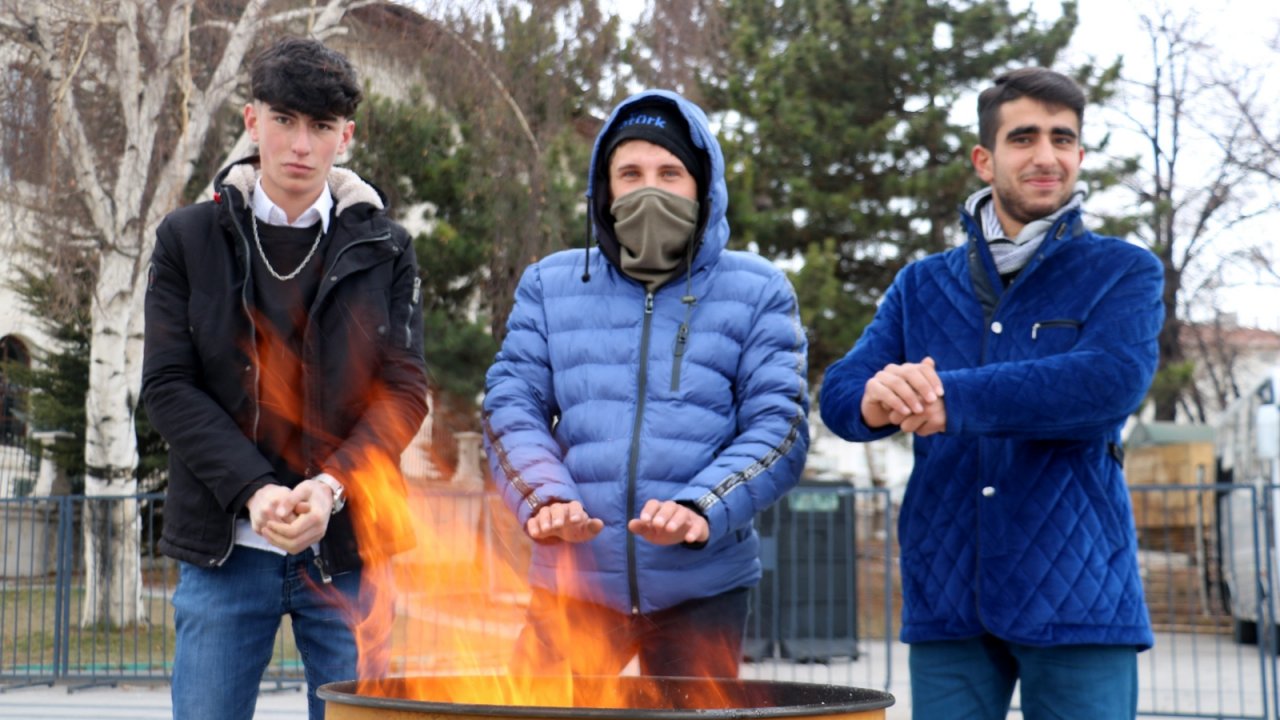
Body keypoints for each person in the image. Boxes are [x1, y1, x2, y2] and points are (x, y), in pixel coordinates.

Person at [819, 67, 1163, 719]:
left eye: (1063, 139)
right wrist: (879, 395)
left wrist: (944, 399)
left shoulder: (1123, 271)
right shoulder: (921, 284)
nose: (1045, 155)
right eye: (1024, 137)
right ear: (985, 159)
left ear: (1080, 156)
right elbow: (840, 394)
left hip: (1080, 596)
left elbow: (1106, 384)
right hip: (948, 598)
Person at [141, 37, 428, 720]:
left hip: (351, 551)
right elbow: (169, 386)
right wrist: (255, 492)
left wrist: (330, 489)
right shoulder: (186, 239)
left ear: (345, 136)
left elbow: (405, 393)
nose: (301, 144)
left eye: (321, 127)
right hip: (224, 551)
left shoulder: (387, 249)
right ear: (251, 120)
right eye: (285, 120)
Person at [482, 89, 809, 679]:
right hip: (572, 590)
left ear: (703, 187)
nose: (649, 189)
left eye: (670, 172)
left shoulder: (759, 290)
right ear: (604, 190)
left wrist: (701, 507)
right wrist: (546, 498)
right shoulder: (549, 285)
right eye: (629, 173)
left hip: (702, 593)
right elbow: (511, 406)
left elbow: (779, 427)